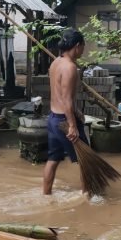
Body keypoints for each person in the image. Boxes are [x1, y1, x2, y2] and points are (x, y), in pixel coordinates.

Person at [43, 28, 89, 195]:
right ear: (77, 46)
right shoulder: (70, 68)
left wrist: (76, 111)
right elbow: (67, 99)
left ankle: (46, 195)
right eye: (83, 46)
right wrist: (72, 125)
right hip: (64, 121)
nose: (83, 50)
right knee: (86, 161)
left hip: (53, 119)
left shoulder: (55, 63)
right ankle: (87, 197)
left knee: (53, 158)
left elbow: (59, 94)